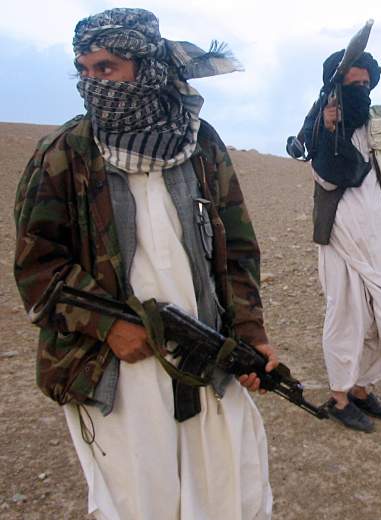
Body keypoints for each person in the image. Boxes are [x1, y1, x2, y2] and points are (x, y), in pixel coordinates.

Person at [14, 9, 276, 519]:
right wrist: (108, 326)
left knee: (227, 491)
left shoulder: (198, 144)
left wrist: (251, 330)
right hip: (120, 366)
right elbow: (37, 268)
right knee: (143, 502)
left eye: (107, 68)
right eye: (84, 71)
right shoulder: (64, 155)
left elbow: (237, 249)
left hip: (205, 352)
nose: (94, 84)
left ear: (146, 67)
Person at [304, 50, 381, 432]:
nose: (361, 90)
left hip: (376, 238)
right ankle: (339, 395)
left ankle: (364, 389)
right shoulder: (319, 128)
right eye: (353, 84)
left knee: (374, 317)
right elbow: (328, 179)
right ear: (336, 86)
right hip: (339, 238)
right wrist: (331, 131)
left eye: (365, 83)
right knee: (345, 313)